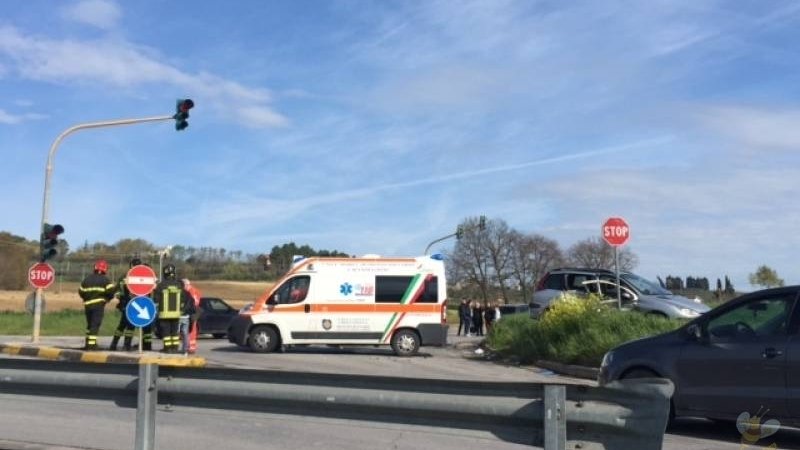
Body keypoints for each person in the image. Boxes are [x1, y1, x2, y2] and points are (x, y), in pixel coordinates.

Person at [153, 264, 195, 353]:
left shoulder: (161, 285)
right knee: (174, 332)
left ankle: (167, 348)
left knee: (166, 332)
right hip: (176, 313)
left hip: (164, 314)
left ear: (164, 273)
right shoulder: (179, 285)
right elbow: (184, 298)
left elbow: (156, 299)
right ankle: (175, 348)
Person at [78, 260, 116, 351]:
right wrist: (107, 299)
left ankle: (88, 343)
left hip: (87, 305)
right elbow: (111, 292)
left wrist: (86, 298)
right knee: (95, 325)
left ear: (95, 268)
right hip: (98, 305)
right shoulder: (105, 280)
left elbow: (81, 291)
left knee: (89, 325)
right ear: (105, 269)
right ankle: (92, 345)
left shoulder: (87, 279)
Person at [110, 257, 142, 351]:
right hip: (133, 304)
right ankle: (126, 345)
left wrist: (119, 297)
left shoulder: (124, 276)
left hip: (125, 304)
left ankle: (114, 344)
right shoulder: (138, 277)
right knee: (130, 325)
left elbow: (116, 290)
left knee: (122, 325)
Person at [180, 278, 202, 355]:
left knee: (190, 331)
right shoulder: (194, 291)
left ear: (186, 285)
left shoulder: (191, 292)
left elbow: (192, 303)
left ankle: (190, 347)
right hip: (192, 313)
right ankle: (190, 347)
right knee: (190, 331)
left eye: (182, 285)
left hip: (191, 313)